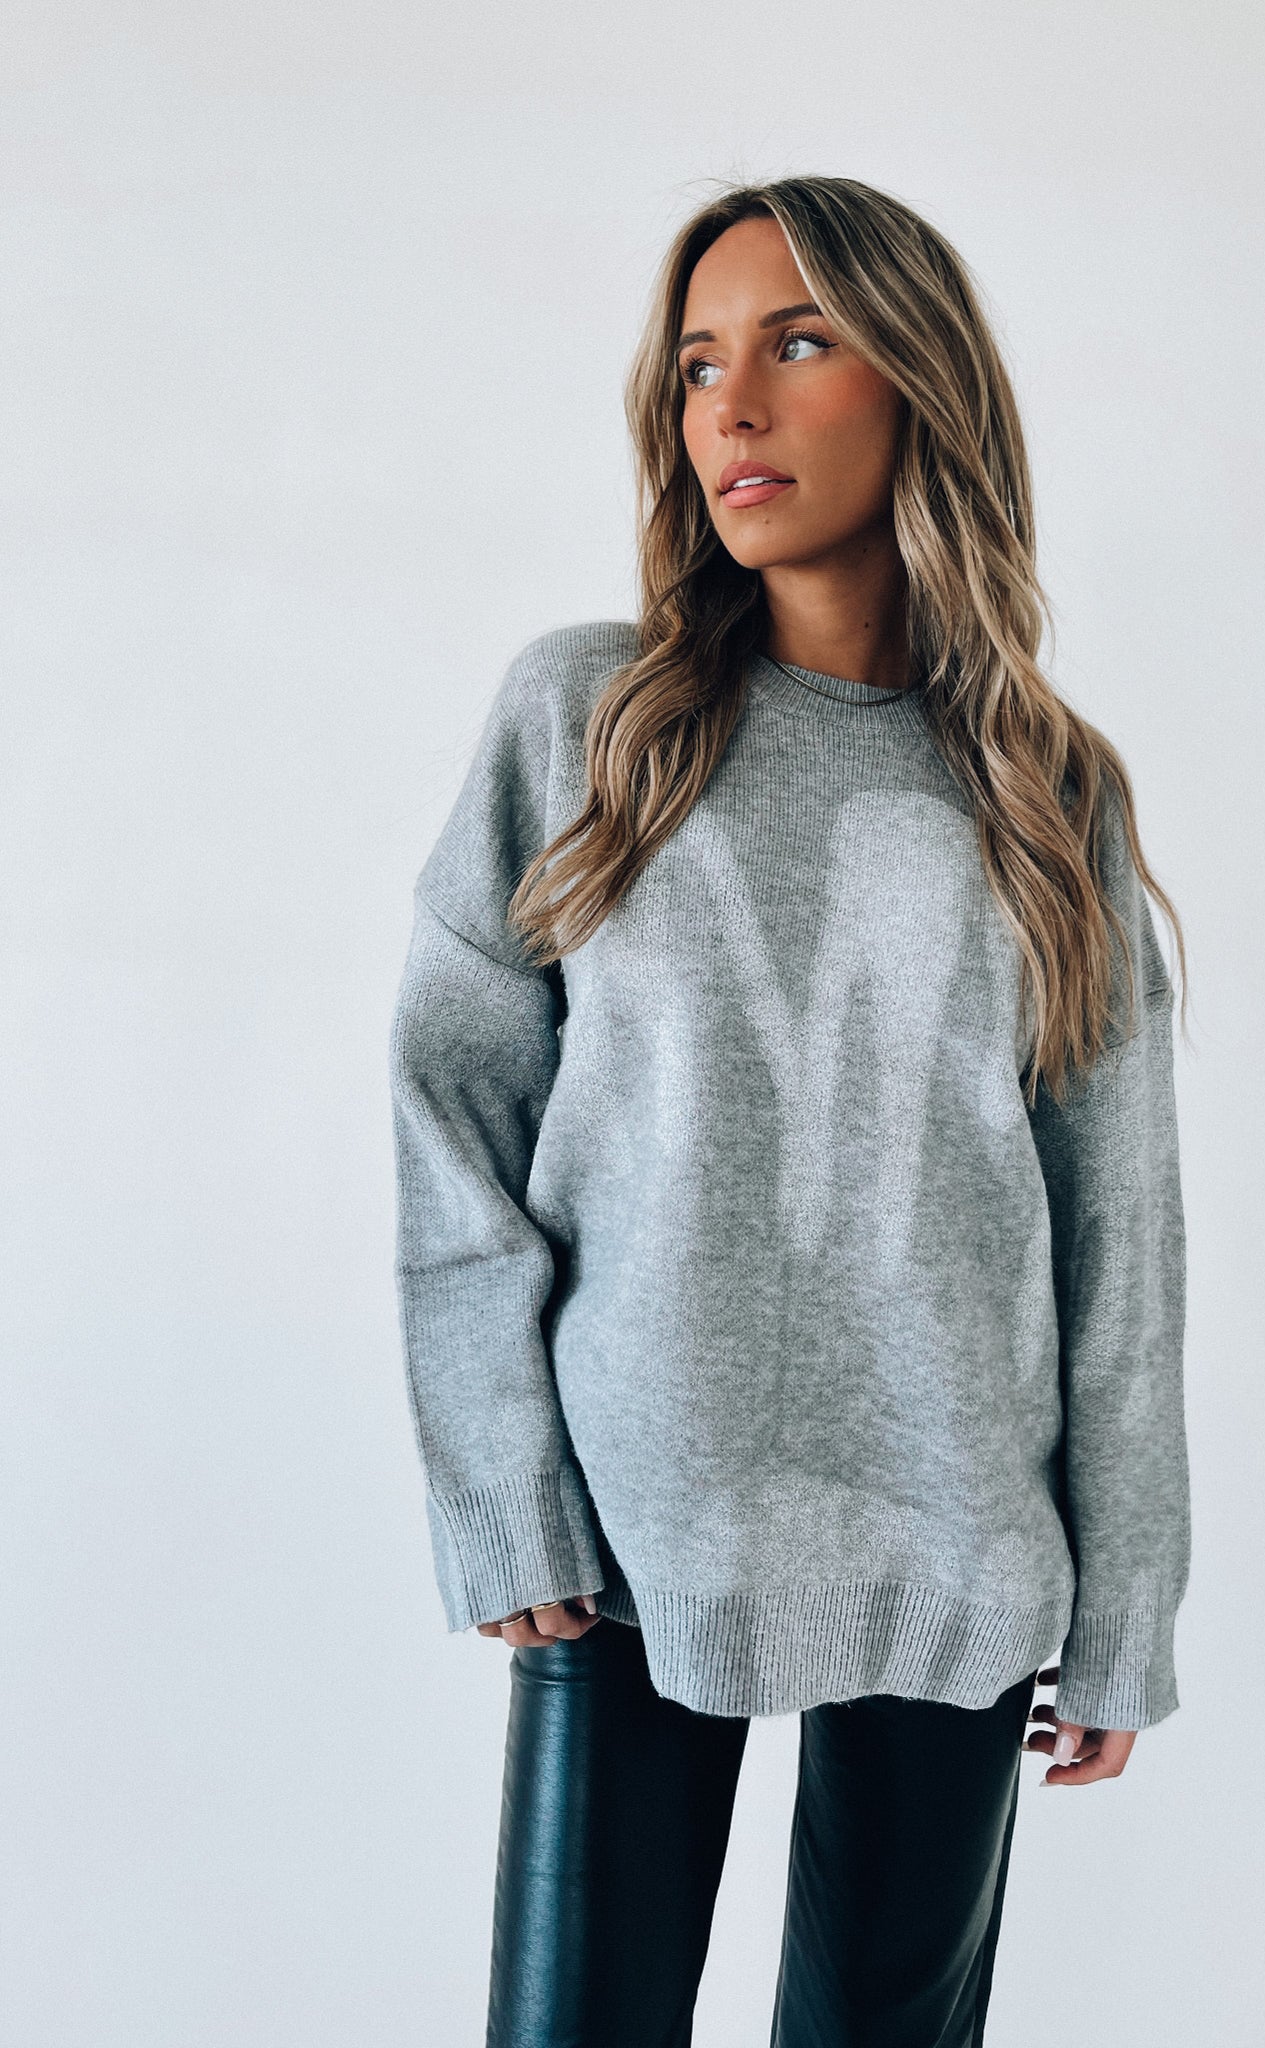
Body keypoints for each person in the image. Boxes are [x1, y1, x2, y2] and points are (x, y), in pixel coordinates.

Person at [389, 173, 1193, 2048]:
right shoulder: (591, 721)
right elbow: (453, 1108)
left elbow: (1121, 1227)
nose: (730, 407)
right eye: (696, 364)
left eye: (798, 343)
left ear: (920, 381)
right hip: (624, 1535)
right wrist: (499, 1488)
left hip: (958, 1530)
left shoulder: (1048, 792)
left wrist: (1130, 1601)